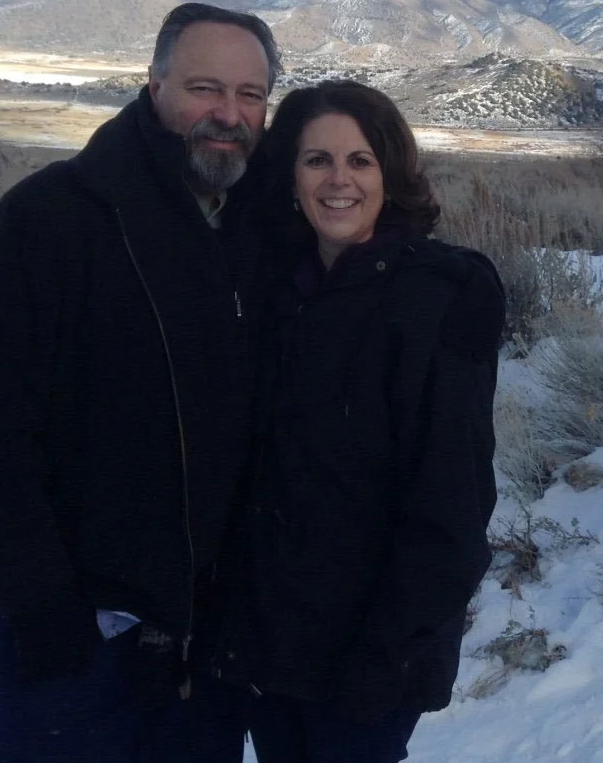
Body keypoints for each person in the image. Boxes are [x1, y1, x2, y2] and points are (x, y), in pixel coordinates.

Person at [0, 2, 280, 763]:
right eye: (204, 88)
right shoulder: (55, 219)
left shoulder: (262, 226)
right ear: (152, 85)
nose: (227, 115)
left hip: (206, 639)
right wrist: (44, 606)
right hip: (80, 630)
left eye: (250, 95)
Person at [215, 80, 505, 763]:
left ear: (391, 175)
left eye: (360, 161)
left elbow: (453, 508)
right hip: (269, 645)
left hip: (371, 654)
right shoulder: (270, 296)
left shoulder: (433, 298)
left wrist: (387, 660)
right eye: (317, 160)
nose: (338, 179)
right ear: (288, 175)